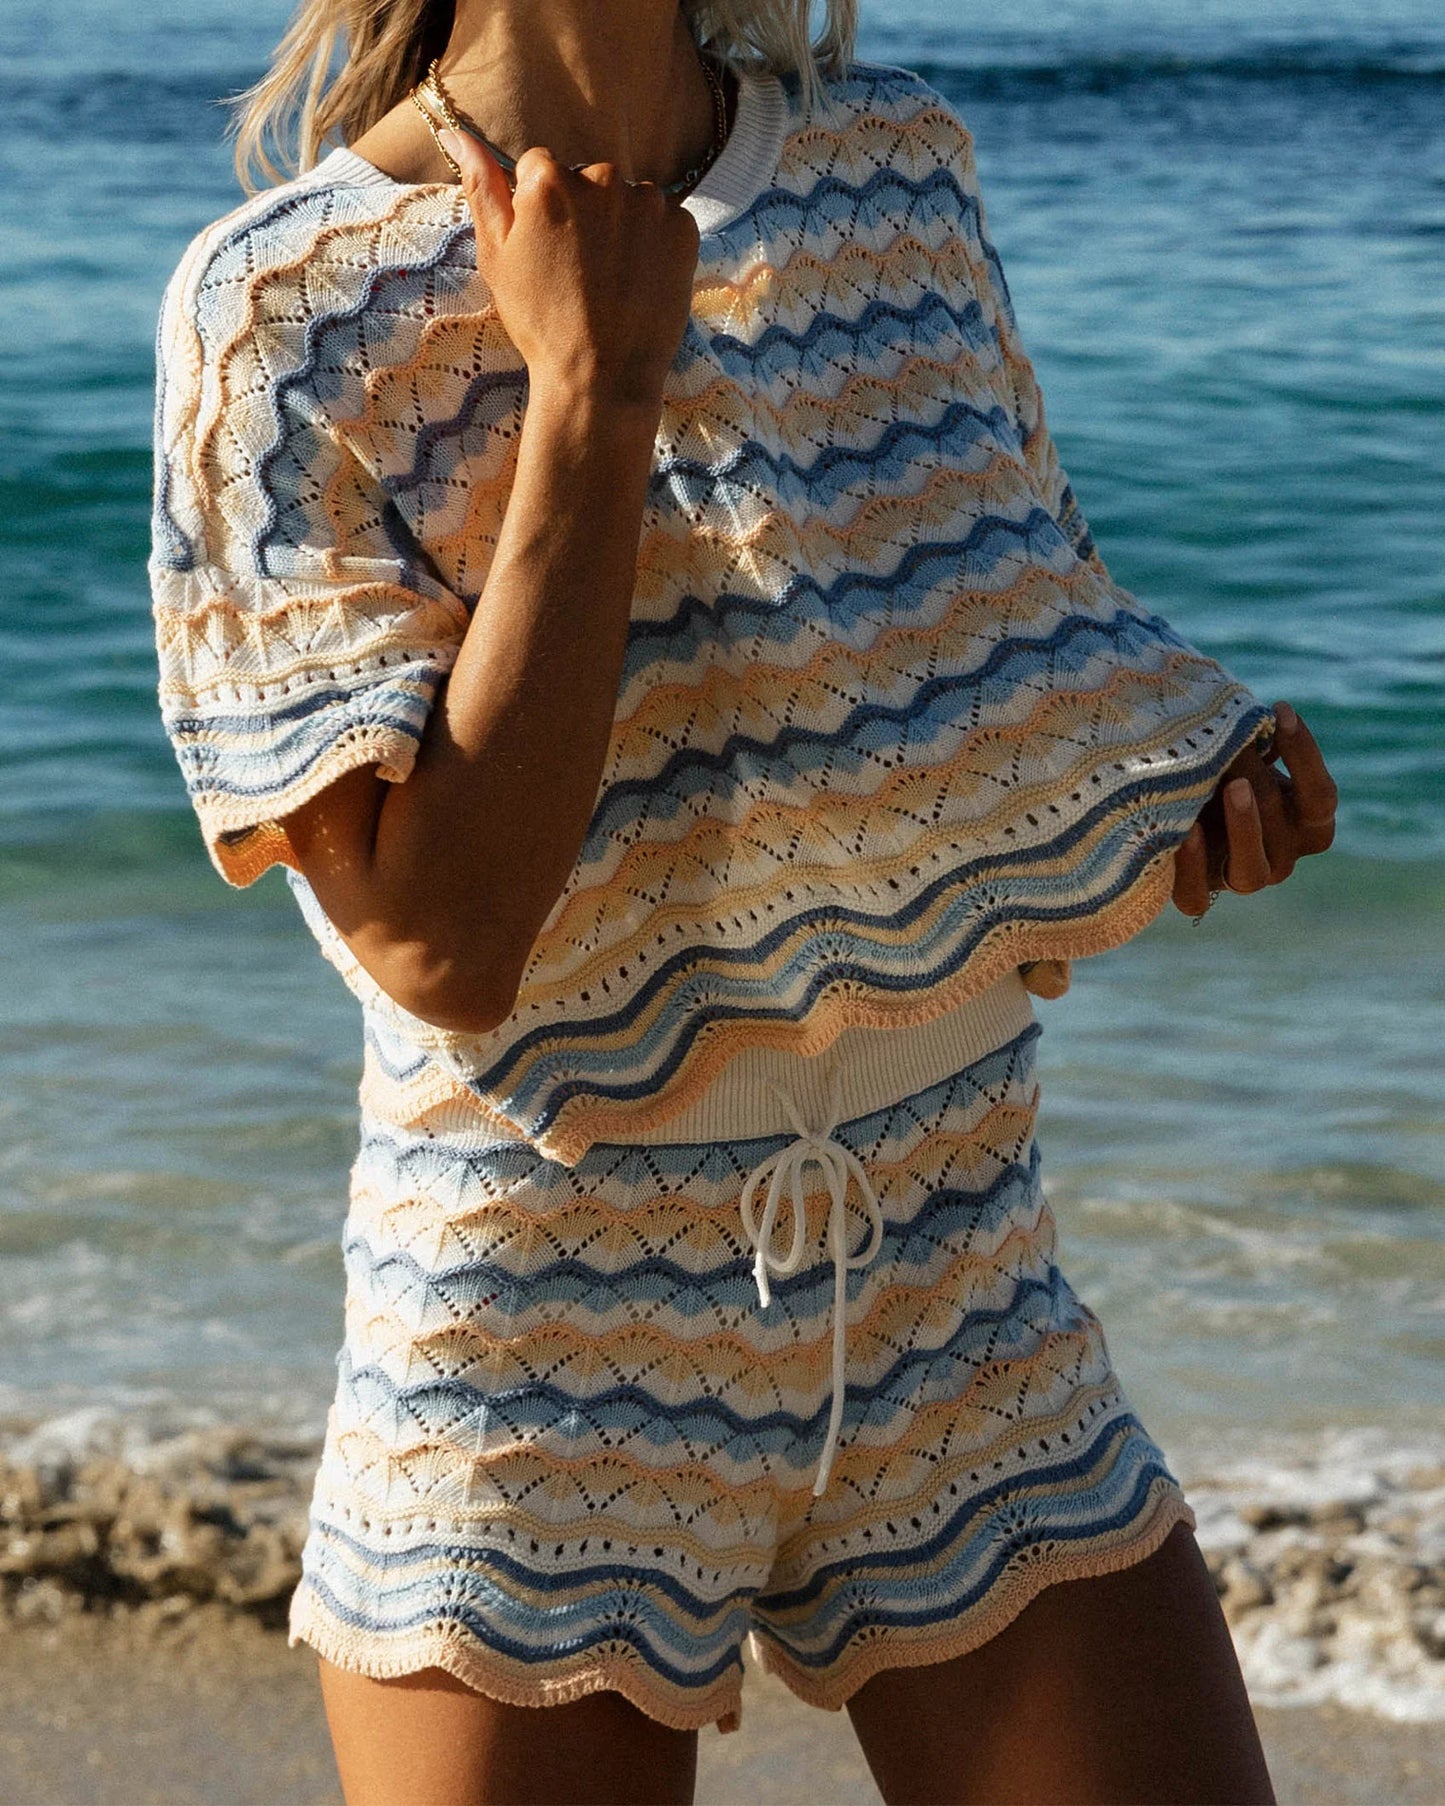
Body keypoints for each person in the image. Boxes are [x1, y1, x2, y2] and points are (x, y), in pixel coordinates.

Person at [147, 0, 1338, 1800]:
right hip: (542, 1338)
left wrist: (1162, 781)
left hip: (955, 1266)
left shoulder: (896, 178)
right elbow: (443, 942)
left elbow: (991, 645)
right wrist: (593, 388)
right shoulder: (281, 311)